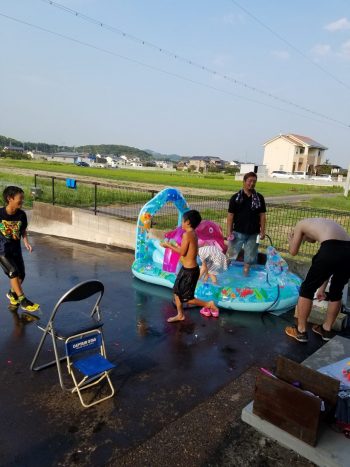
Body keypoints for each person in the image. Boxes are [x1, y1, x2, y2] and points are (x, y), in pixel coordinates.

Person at [285, 218, 350, 343]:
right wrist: (321, 289)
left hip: (331, 248)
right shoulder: (323, 225)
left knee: (306, 289)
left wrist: (291, 241)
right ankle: (326, 329)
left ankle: (301, 330)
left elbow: (293, 252)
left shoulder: (300, 224)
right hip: (348, 250)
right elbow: (329, 267)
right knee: (336, 291)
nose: (309, 242)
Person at [161, 210, 219, 322]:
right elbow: (186, 250)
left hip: (190, 271)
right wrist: (176, 245)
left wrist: (168, 245)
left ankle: (209, 304)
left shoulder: (187, 235)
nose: (181, 223)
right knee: (176, 291)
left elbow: (182, 252)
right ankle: (180, 314)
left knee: (188, 299)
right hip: (186, 269)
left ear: (187, 222)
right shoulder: (192, 233)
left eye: (182, 221)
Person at [0, 186, 40, 312]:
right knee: (13, 272)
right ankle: (23, 300)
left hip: (15, 249)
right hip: (2, 250)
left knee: (21, 275)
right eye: (20, 199)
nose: (22, 201)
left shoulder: (22, 215)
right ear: (9, 199)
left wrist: (26, 242)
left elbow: (22, 230)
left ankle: (12, 293)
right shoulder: (0, 214)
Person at [226, 172, 266, 276]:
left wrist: (262, 231)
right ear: (244, 181)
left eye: (254, 181)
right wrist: (229, 231)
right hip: (238, 232)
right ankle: (222, 272)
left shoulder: (259, 198)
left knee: (249, 258)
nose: (252, 184)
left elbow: (262, 216)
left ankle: (245, 275)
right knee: (230, 255)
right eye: (250, 181)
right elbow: (230, 216)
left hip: (254, 233)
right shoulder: (236, 198)